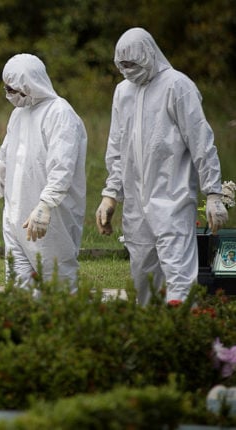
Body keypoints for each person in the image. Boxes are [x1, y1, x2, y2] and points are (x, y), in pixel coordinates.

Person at [95, 27, 228, 305]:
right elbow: (118, 147)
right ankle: (151, 338)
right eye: (122, 66)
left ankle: (182, 336)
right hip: (136, 204)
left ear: (148, 55)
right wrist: (111, 195)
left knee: (179, 275)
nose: (128, 70)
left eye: (132, 64)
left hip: (173, 199)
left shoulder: (177, 86)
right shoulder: (123, 93)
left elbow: (201, 141)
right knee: (143, 278)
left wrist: (213, 193)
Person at [0, 53, 87, 294]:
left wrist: (46, 205)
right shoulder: (19, 114)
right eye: (6, 89)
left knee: (58, 284)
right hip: (15, 217)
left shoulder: (60, 113)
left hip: (51, 219)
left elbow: (62, 167)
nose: (9, 95)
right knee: (20, 289)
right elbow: (7, 161)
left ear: (29, 86)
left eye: (13, 90)